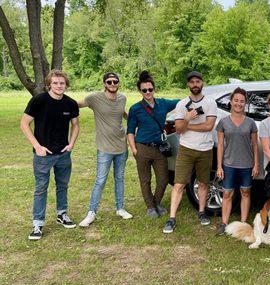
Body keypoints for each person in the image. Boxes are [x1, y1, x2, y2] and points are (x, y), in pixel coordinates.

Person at [21, 69, 80, 240]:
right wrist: (37, 146)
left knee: (63, 186)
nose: (59, 86)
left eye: (62, 83)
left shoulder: (70, 104)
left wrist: (71, 144)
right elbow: (24, 124)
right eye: (55, 83)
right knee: (41, 189)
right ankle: (38, 224)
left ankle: (62, 214)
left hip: (63, 154)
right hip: (43, 155)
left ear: (66, 85)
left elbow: (76, 124)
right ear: (49, 84)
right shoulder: (39, 101)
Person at [162, 71, 217, 234]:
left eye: (198, 81)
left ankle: (201, 212)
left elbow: (209, 126)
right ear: (188, 85)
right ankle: (172, 218)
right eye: (192, 82)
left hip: (206, 148)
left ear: (202, 83)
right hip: (186, 149)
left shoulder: (210, 103)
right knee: (179, 184)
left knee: (203, 183)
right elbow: (178, 130)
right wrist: (186, 118)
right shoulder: (181, 104)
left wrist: (187, 125)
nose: (195, 84)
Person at [78, 72, 132, 227]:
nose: (113, 84)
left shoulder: (122, 98)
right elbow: (77, 104)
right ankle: (91, 212)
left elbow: (122, 113)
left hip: (121, 146)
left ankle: (120, 208)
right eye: (109, 82)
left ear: (118, 83)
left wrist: (135, 119)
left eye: (115, 81)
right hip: (104, 148)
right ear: (104, 84)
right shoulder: (94, 98)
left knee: (119, 178)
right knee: (100, 180)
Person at [127, 71, 178, 218]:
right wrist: (134, 149)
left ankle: (156, 202)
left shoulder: (163, 103)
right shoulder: (135, 109)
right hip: (142, 147)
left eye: (150, 89)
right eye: (144, 90)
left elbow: (182, 101)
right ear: (140, 91)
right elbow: (130, 131)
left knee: (163, 179)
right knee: (145, 179)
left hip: (159, 148)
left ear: (153, 89)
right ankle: (150, 207)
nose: (148, 92)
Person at [214, 87, 259, 235]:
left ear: (245, 103)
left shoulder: (251, 123)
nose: (239, 103)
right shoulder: (223, 122)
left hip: (247, 165)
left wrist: (256, 165)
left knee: (245, 193)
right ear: (231, 102)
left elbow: (254, 146)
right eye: (236, 100)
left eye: (242, 101)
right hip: (229, 164)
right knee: (227, 194)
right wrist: (219, 166)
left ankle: (243, 223)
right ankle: (224, 223)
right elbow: (220, 145)